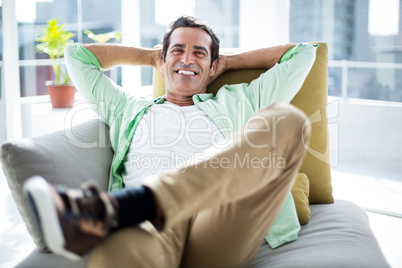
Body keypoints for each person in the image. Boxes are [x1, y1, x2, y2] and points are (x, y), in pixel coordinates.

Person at [23, 16, 317, 267]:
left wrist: (227, 62)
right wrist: (149, 57)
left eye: (200, 53)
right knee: (115, 253)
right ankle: (138, 205)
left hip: (219, 220)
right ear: (161, 62)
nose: (187, 59)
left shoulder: (241, 100)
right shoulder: (127, 107)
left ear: (213, 67)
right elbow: (76, 55)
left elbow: (303, 54)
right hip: (148, 227)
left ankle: (126, 205)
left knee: (289, 122)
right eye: (177, 50)